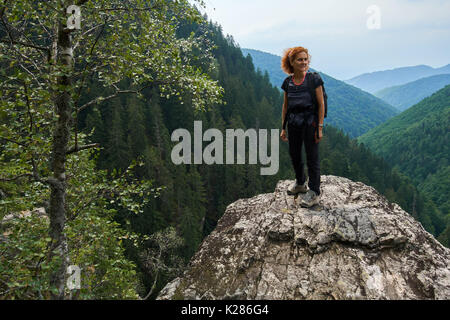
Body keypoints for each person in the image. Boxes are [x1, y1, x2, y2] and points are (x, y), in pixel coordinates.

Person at [280, 46, 325, 207]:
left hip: (310, 123)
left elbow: (321, 104)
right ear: (291, 62)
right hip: (293, 123)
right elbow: (286, 106)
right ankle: (300, 183)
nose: (304, 62)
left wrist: (319, 127)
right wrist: (283, 128)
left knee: (312, 157)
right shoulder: (288, 83)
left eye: (306, 59)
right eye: (300, 59)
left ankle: (314, 192)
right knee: (295, 154)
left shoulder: (314, 80)